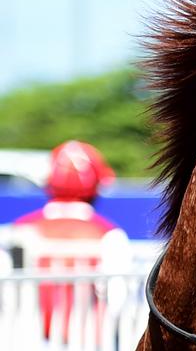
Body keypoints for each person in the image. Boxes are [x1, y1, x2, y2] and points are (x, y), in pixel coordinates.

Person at [11, 140, 130, 338]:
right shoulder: (110, 235)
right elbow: (117, 300)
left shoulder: (19, 230)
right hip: (89, 350)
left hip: (25, 346)